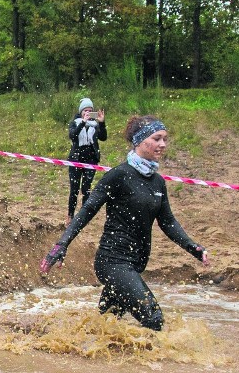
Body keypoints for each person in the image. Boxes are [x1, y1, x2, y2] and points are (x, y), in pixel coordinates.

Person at [40, 115, 209, 331]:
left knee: (107, 326)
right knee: (153, 318)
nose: (163, 144)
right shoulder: (118, 175)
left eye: (165, 139)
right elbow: (87, 211)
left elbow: (167, 222)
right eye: (157, 138)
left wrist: (192, 247)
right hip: (113, 263)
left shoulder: (157, 182)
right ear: (139, 141)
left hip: (134, 264)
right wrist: (62, 244)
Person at [66, 97, 107, 225]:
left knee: (86, 188)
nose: (88, 113)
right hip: (76, 159)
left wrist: (101, 122)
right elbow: (73, 136)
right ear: (81, 112)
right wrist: (83, 122)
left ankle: (83, 216)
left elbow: (103, 137)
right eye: (85, 111)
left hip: (91, 159)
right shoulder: (75, 123)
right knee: (74, 189)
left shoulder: (95, 124)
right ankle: (70, 215)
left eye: (90, 110)